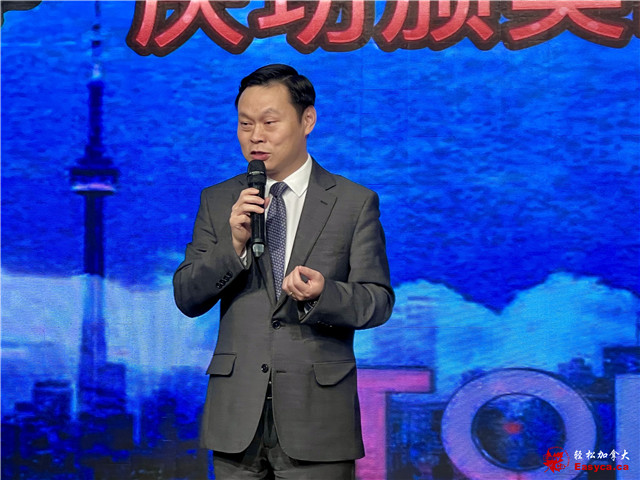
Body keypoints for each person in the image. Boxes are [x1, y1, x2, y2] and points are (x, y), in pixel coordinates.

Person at [173, 64, 394, 479]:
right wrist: (233, 246)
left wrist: (324, 294)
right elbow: (186, 296)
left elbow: (377, 301)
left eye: (269, 122)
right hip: (236, 417)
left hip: (318, 417)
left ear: (307, 120)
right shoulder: (219, 200)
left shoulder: (353, 202)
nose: (255, 136)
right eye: (245, 124)